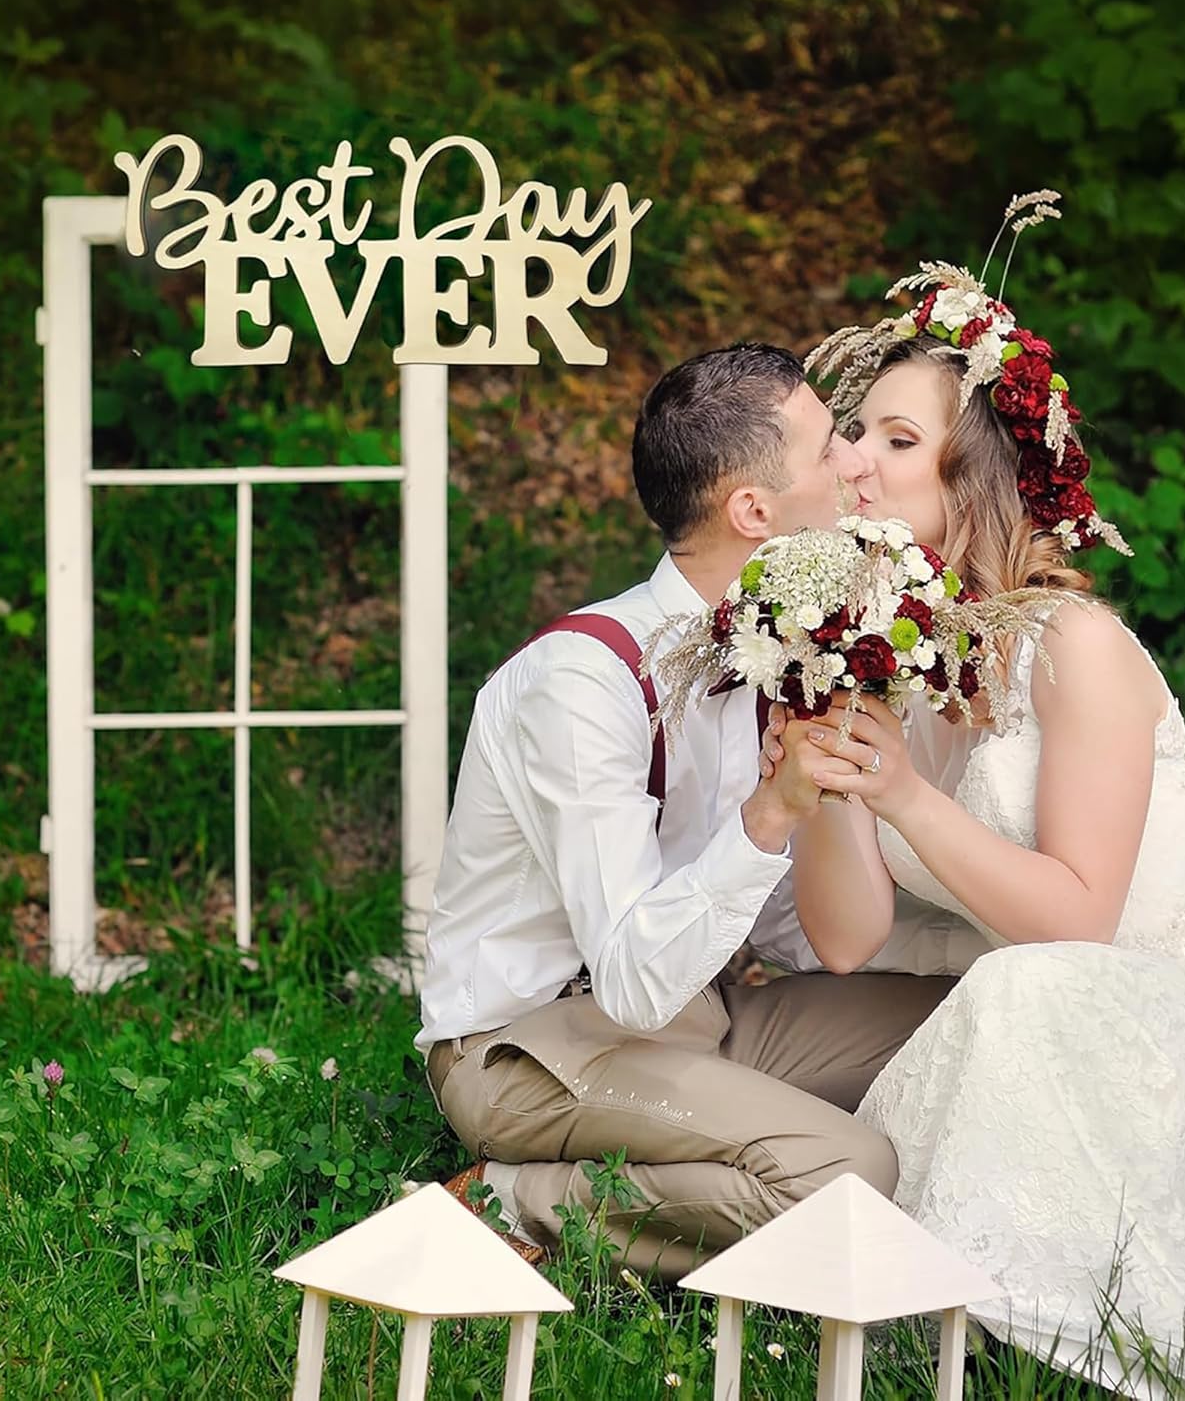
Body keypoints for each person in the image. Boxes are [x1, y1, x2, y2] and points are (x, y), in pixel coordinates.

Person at [761, 248, 1185, 1397]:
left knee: (1010, 994)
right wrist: (830, 723)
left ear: (974, 469)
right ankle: (949, 1308)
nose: (861, 467)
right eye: (858, 437)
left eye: (899, 439)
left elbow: (1082, 921)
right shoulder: (884, 660)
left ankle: (1000, 1323)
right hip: (1052, 1035)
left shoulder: (1074, 649)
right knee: (985, 1009)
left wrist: (906, 797)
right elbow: (844, 944)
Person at [416, 342, 987, 1279]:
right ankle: (514, 1197)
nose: (855, 461)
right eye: (826, 448)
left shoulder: (784, 649)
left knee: (982, 1021)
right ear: (754, 511)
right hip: (533, 1049)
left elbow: (789, 934)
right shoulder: (584, 681)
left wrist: (1004, 952)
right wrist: (771, 813)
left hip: (700, 1016)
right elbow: (633, 984)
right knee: (845, 1169)